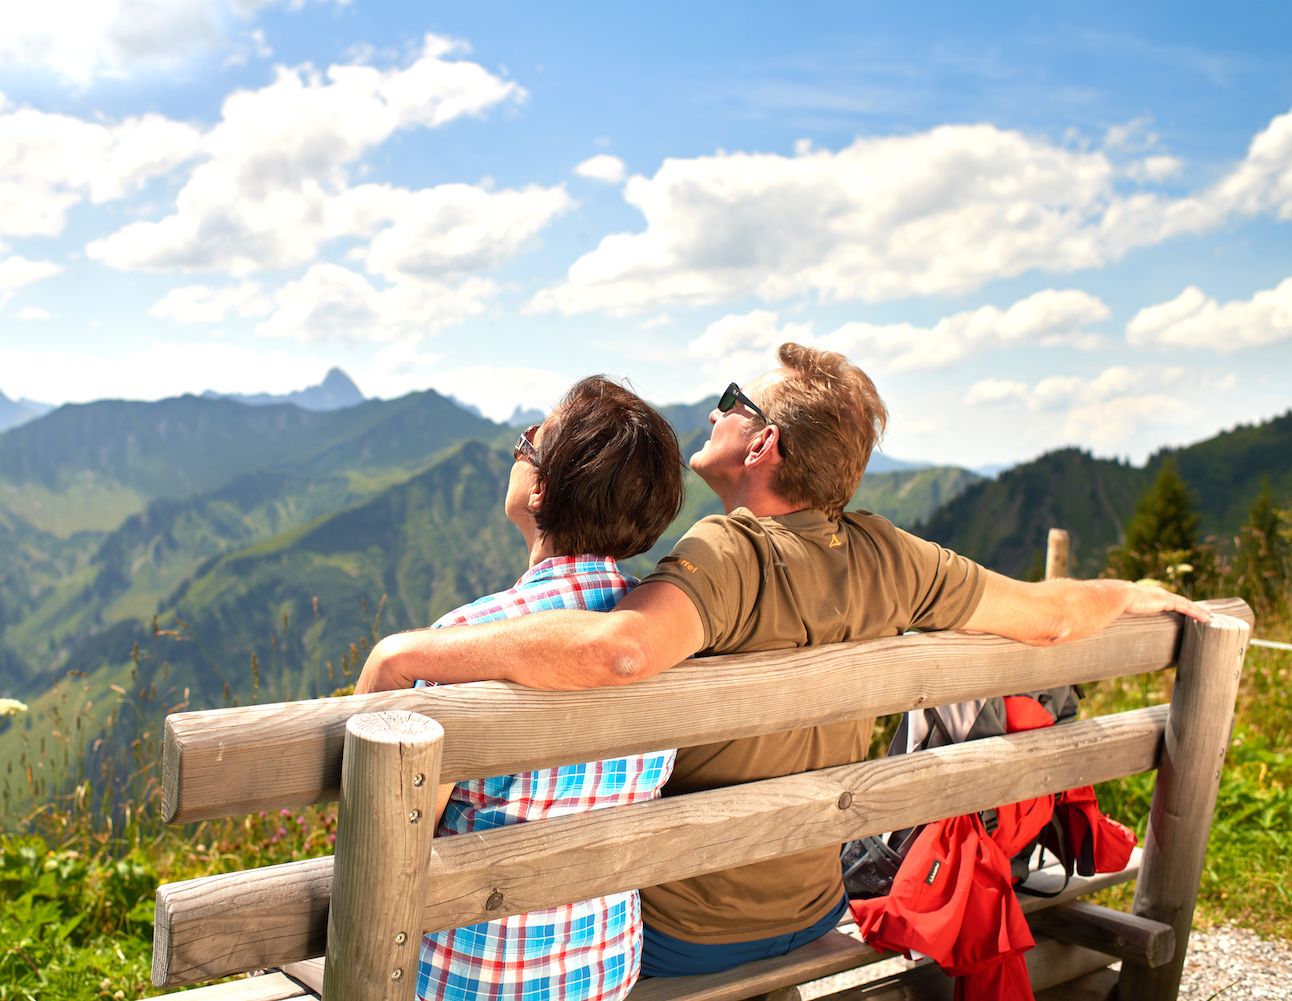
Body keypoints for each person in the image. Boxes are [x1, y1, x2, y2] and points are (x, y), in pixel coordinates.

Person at [358, 343, 1209, 982]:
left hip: (689, 925)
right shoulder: (893, 554)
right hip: (814, 899)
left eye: (731, 401)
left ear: (763, 441)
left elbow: (620, 650)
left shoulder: (725, 552)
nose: (714, 410)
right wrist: (1131, 590)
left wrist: (411, 651)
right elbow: (1052, 618)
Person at [413, 375, 685, 1001]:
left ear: (539, 490)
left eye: (527, 442)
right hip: (603, 969)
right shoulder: (671, 640)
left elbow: (391, 839)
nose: (518, 450)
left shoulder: (463, 642)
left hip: (467, 979)